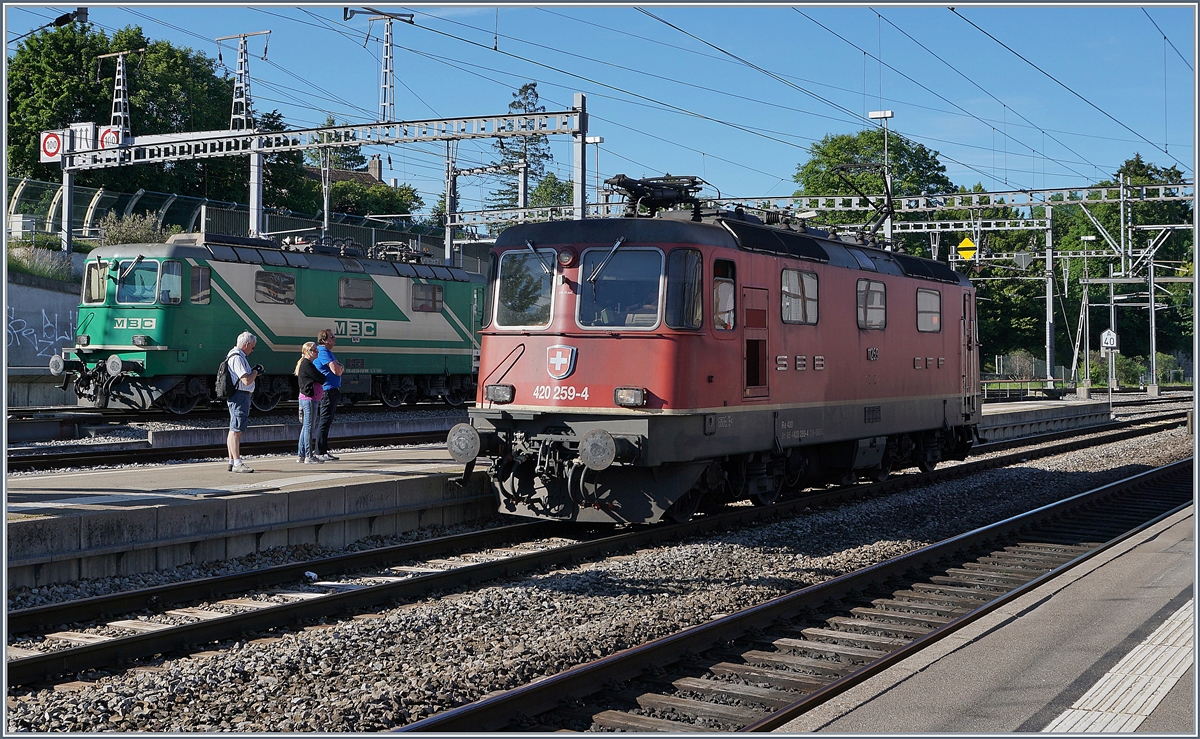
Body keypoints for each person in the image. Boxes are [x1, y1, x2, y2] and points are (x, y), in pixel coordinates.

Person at [226, 331, 262, 473]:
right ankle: (237, 463)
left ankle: (231, 461)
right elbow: (246, 380)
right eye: (252, 347)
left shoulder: (235, 355)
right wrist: (256, 371)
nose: (252, 350)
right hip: (240, 396)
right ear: (247, 344)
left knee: (233, 429)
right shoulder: (237, 358)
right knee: (237, 430)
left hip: (238, 396)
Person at [312, 328, 344, 461]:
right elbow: (337, 370)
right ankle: (319, 452)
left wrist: (339, 367)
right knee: (324, 421)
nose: (334, 339)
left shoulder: (327, 352)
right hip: (327, 390)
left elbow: (338, 368)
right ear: (324, 340)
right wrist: (340, 367)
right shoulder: (323, 352)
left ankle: (323, 450)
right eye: (332, 337)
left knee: (327, 421)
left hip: (331, 390)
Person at [294, 342, 325, 464]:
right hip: (309, 400)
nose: (317, 352)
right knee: (309, 428)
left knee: (306, 427)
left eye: (316, 349)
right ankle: (309, 456)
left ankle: (301, 455)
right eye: (314, 350)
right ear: (307, 352)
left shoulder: (305, 364)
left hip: (306, 399)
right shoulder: (308, 365)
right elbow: (321, 378)